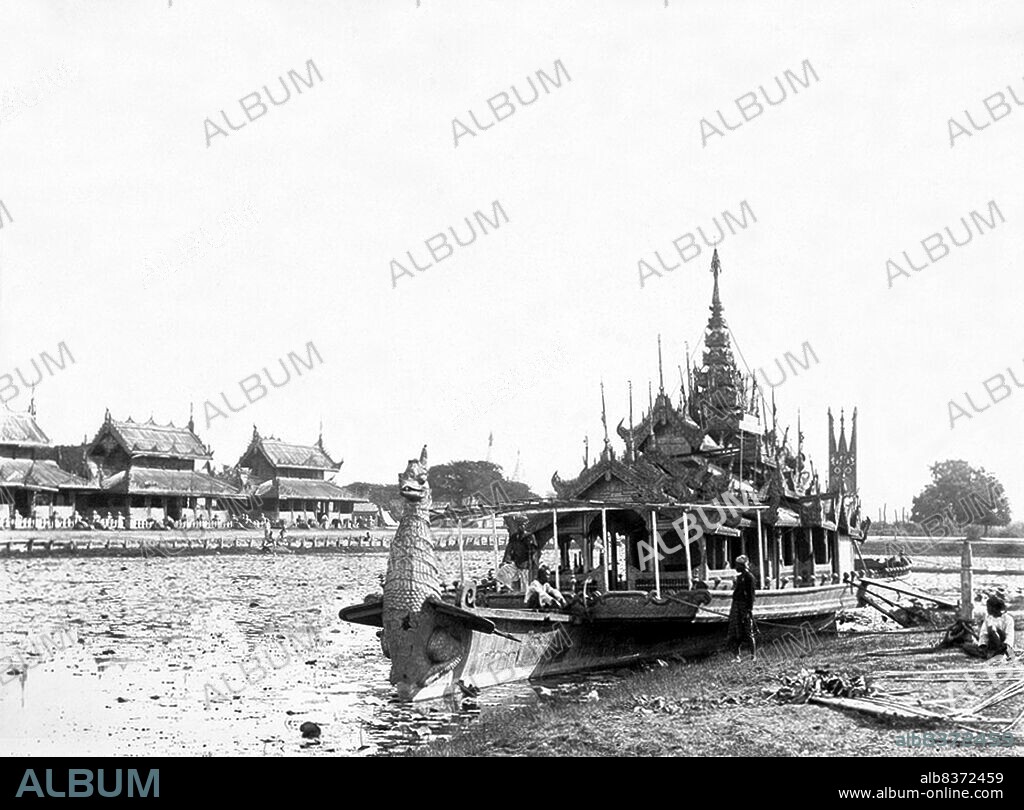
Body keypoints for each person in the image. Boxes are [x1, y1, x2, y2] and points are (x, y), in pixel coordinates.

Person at [963, 594, 1016, 660]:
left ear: (995, 608)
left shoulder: (1008, 619)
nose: (987, 609)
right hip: (990, 645)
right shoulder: (988, 618)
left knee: (992, 629)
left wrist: (1005, 646)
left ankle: (999, 654)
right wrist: (983, 645)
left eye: (989, 607)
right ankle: (988, 653)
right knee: (966, 646)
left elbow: (1009, 636)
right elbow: (983, 634)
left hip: (1002, 645)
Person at [726, 555, 756, 662]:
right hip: (737, 606)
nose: (736, 567)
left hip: (744, 607)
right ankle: (737, 656)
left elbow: (751, 595)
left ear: (742, 566)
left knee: (748, 631)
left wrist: (749, 610)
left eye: (737, 565)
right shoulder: (739, 578)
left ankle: (753, 656)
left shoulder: (749, 577)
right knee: (736, 630)